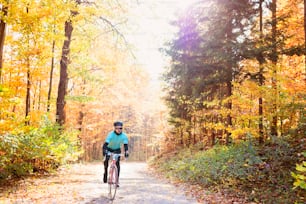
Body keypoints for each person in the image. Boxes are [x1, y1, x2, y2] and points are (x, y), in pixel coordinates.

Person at [102, 121, 129, 185]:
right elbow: (105, 144)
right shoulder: (111, 134)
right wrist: (104, 151)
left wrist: (126, 152)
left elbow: (125, 145)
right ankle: (105, 173)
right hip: (109, 148)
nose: (119, 130)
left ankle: (117, 180)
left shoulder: (124, 136)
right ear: (114, 128)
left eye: (120, 128)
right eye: (117, 128)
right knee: (106, 162)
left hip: (117, 149)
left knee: (117, 164)